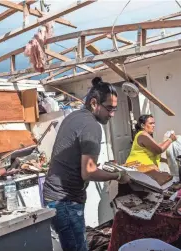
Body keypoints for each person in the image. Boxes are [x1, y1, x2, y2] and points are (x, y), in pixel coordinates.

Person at [43, 77, 130, 251]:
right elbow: (88, 172)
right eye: (109, 108)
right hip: (65, 201)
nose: (112, 114)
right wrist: (119, 176)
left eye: (115, 109)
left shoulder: (73, 116)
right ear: (94, 103)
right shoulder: (91, 126)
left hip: (54, 197)